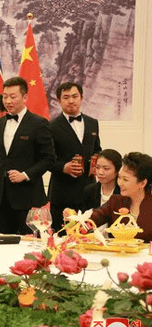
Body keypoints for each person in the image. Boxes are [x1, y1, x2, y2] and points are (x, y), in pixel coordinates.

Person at [0, 77, 56, 235]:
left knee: (27, 245)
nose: (8, 101)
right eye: (5, 96)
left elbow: (49, 159)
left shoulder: (38, 123)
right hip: (0, 197)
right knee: (3, 243)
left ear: (25, 97)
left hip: (27, 198)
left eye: (13, 96)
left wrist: (25, 175)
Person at [48, 82, 101, 231]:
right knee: (62, 239)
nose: (71, 101)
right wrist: (63, 167)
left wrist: (98, 163)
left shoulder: (92, 123)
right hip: (62, 194)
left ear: (82, 98)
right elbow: (46, 159)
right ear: (59, 101)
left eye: (74, 96)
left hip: (89, 190)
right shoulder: (50, 126)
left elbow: (97, 149)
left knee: (89, 237)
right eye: (66, 97)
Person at [90, 152, 152, 242]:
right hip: (118, 254)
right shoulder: (116, 201)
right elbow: (93, 218)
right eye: (119, 177)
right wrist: (74, 219)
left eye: (125, 179)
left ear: (142, 183)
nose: (120, 183)